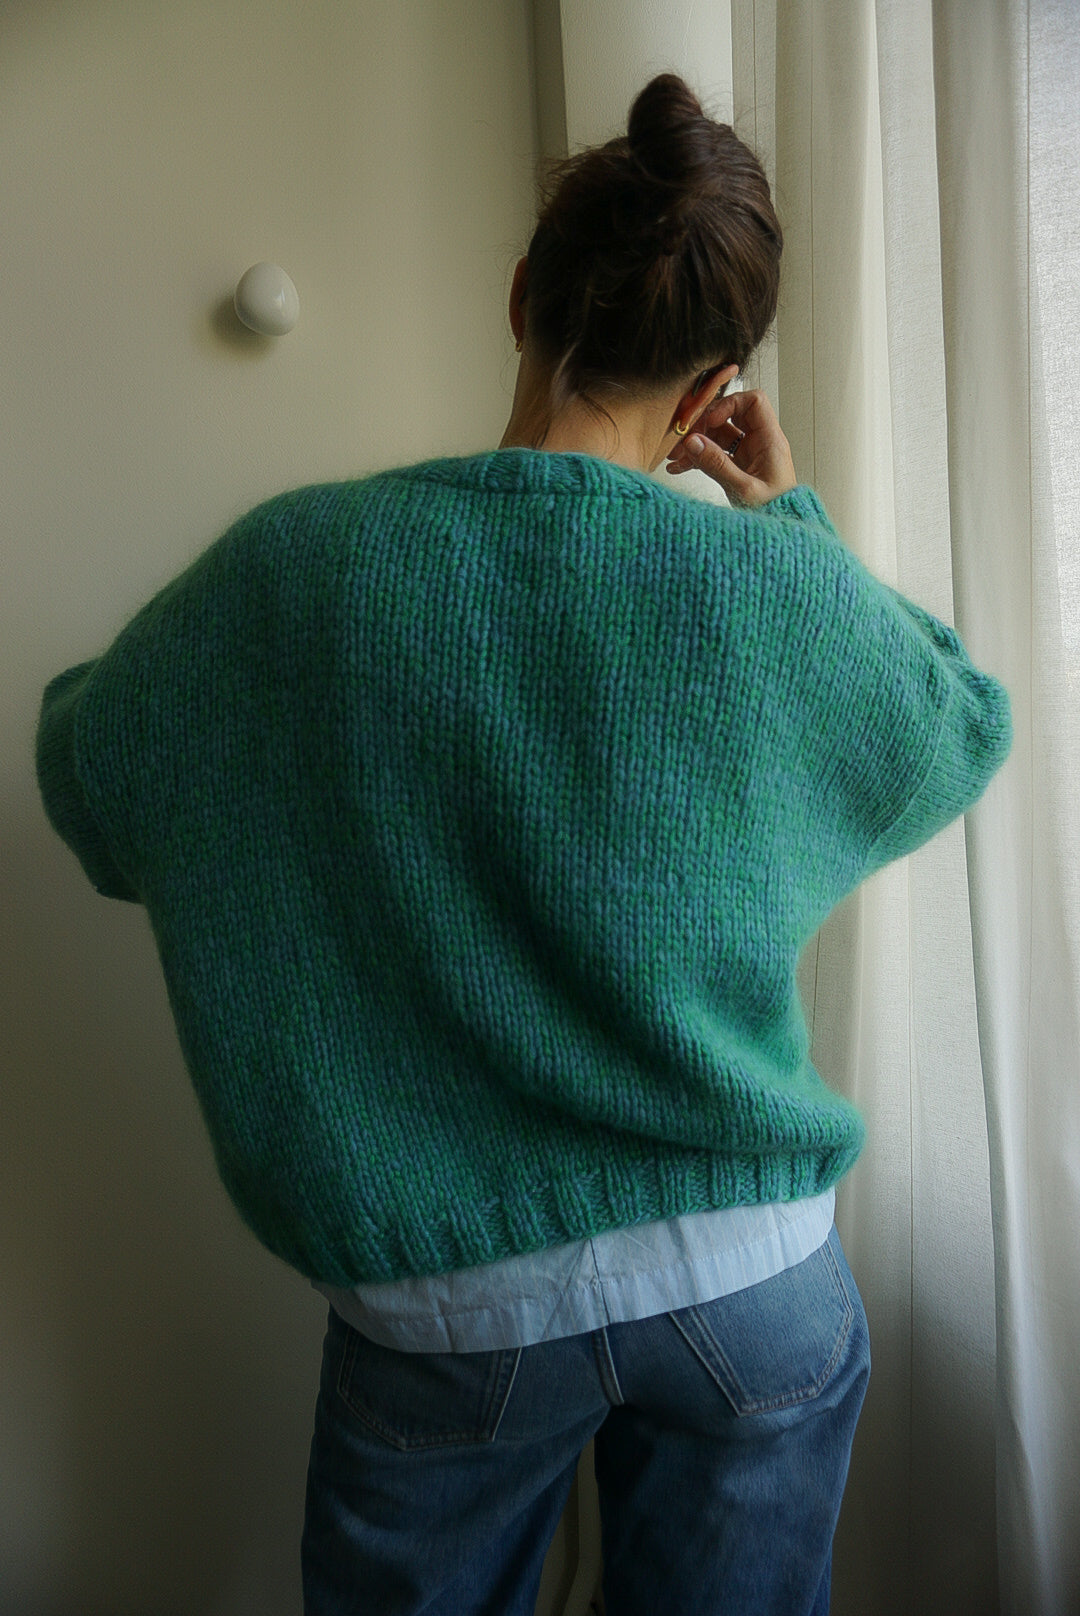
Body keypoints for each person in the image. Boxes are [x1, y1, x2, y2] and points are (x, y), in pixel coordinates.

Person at [36, 74, 1011, 1616]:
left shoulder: (293, 574)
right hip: (754, 1284)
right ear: (712, 391)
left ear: (519, 296)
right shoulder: (760, 590)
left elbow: (88, 772)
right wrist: (791, 525)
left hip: (447, 1307)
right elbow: (959, 718)